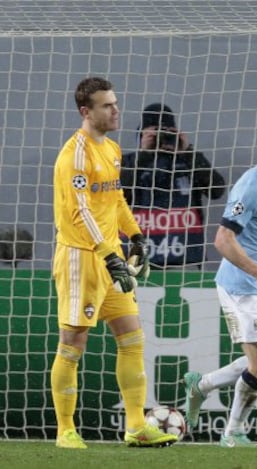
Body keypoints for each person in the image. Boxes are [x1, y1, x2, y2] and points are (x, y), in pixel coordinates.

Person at [51, 77, 177, 449]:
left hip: (111, 257)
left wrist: (136, 236)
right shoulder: (76, 154)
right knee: (73, 342)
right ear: (85, 112)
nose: (116, 109)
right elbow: (80, 212)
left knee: (132, 337)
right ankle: (65, 430)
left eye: (116, 103)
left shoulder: (113, 149)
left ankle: (137, 427)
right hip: (81, 258)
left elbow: (116, 199)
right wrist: (109, 255)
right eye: (107, 105)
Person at [183, 118, 257, 447]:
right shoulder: (250, 187)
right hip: (239, 285)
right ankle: (232, 431)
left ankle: (201, 386)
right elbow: (223, 240)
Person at [121, 103, 225, 268]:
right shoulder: (129, 162)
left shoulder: (189, 160)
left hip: (185, 257)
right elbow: (117, 194)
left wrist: (187, 151)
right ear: (141, 134)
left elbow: (217, 190)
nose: (161, 137)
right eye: (155, 133)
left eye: (167, 132)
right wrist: (144, 154)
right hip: (138, 256)